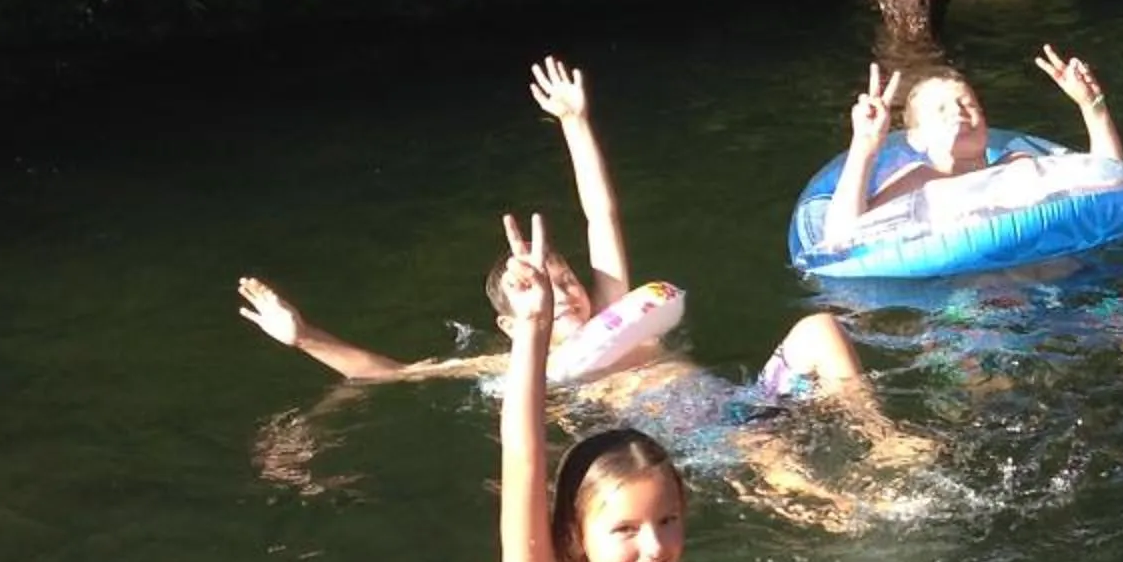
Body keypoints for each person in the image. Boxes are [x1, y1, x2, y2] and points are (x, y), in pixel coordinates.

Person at [237, 55, 875, 400]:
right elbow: (391, 373)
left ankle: (877, 439)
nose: (565, 292)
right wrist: (303, 337)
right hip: (683, 450)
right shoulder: (522, 367)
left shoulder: (613, 311)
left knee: (819, 329)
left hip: (746, 405)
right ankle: (833, 511)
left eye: (567, 279)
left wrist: (574, 123)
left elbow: (602, 214)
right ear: (510, 325)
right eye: (544, 288)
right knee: (773, 464)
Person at [489, 214, 809, 562]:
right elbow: (523, 453)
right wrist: (535, 328)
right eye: (625, 530)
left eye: (667, 521)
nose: (656, 547)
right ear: (573, 533)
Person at [826, 47, 1121, 235]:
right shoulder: (920, 181)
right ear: (917, 139)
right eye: (941, 109)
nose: (957, 111)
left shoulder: (1019, 164)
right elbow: (841, 238)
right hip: (970, 308)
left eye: (968, 104)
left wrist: (1092, 105)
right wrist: (864, 146)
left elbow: (1113, 185)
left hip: (1060, 291)